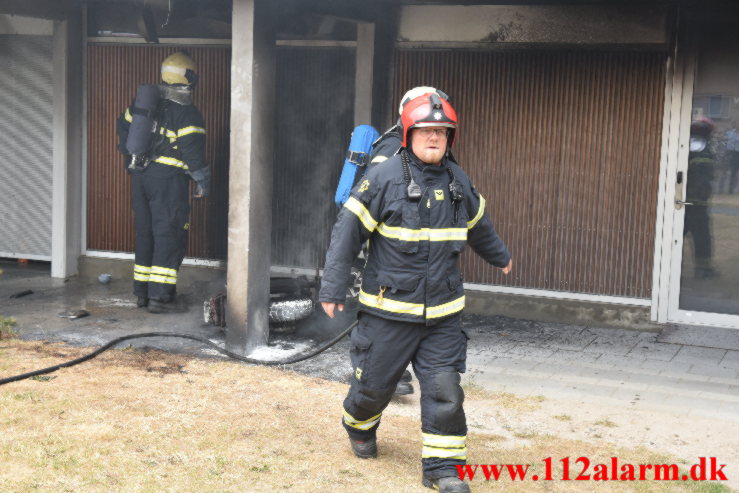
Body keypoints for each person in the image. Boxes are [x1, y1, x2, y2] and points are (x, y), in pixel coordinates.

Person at [319, 92, 512, 493]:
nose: (434, 138)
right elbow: (346, 233)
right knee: (372, 390)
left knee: (445, 392)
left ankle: (443, 469)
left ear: (450, 138)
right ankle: (358, 423)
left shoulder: (458, 180)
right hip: (388, 312)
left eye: (441, 131)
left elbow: (479, 224)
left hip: (443, 314)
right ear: (409, 134)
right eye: (426, 130)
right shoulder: (384, 177)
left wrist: (499, 257)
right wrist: (334, 286)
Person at [116, 51, 211, 313]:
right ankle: (160, 296)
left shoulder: (144, 103)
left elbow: (123, 128)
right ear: (189, 78)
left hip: (141, 178)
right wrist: (203, 181)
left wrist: (133, 163)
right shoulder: (187, 112)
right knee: (168, 235)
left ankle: (142, 293)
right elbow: (192, 151)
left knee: (145, 234)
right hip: (168, 182)